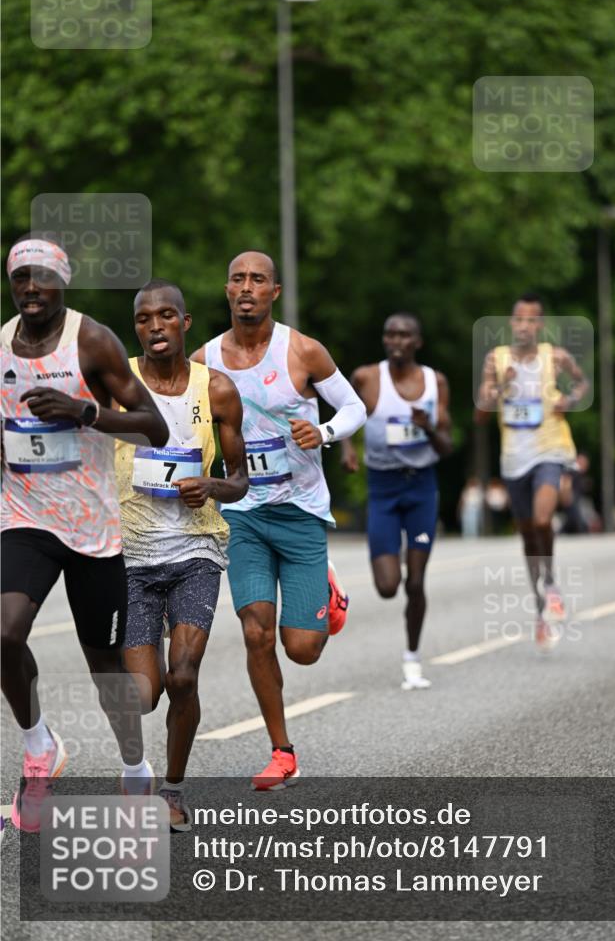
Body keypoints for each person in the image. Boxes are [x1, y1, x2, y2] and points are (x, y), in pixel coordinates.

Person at [1, 237, 169, 831]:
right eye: (20, 278)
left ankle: (135, 767)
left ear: (61, 282)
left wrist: (86, 413)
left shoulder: (91, 340)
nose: (30, 288)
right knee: (4, 632)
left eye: (41, 278)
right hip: (24, 517)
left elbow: (155, 426)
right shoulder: (0, 343)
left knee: (104, 666)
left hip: (94, 528)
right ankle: (39, 746)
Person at [191, 250, 366, 790]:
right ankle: (281, 750)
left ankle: (327, 596)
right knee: (256, 633)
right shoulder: (204, 360)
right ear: (227, 291)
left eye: (258, 280)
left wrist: (327, 433)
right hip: (242, 513)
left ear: (275, 292)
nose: (247, 287)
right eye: (238, 279)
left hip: (301, 511)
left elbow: (356, 407)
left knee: (303, 649)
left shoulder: (303, 351)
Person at [115, 279, 248, 829]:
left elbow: (240, 479)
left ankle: (171, 790)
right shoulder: (115, 382)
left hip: (197, 548)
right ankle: (137, 772)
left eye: (166, 316)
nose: (155, 326)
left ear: (185, 323)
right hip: (130, 557)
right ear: (137, 327)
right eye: (144, 318)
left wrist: (212, 488)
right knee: (144, 697)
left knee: (184, 676)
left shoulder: (215, 389)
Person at [341, 313, 452, 690]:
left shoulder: (435, 383)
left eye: (405, 335)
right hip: (383, 488)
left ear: (418, 341)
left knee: (416, 582)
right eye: (390, 334)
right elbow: (346, 414)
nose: (396, 341)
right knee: (389, 586)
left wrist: (429, 427)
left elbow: (447, 446)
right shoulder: (367, 377)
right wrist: (347, 449)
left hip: (422, 487)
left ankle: (412, 659)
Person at [475, 292, 589, 651]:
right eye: (519, 319)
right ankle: (541, 609)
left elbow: (583, 384)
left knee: (542, 521)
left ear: (540, 325)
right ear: (512, 323)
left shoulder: (555, 356)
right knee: (527, 534)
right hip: (514, 458)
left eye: (531, 320)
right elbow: (480, 411)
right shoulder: (497, 359)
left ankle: (551, 581)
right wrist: (502, 386)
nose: (524, 326)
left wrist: (568, 400)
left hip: (550, 450)